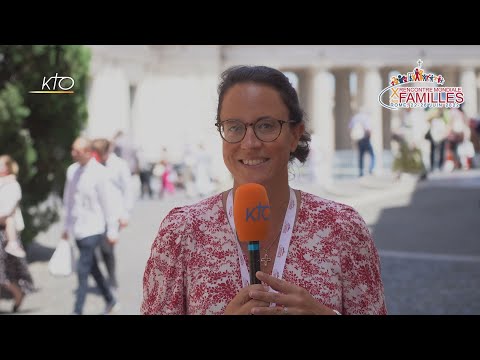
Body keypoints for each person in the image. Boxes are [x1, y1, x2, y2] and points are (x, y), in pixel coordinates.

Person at [141, 65, 387, 315]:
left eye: (266, 126)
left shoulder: (343, 228)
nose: (250, 143)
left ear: (294, 135)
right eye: (234, 127)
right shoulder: (182, 232)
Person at [62, 137, 120, 315]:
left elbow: (108, 203)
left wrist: (112, 229)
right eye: (72, 150)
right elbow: (69, 200)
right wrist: (66, 227)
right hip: (78, 228)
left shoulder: (100, 173)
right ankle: (110, 299)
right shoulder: (72, 171)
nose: (73, 154)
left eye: (77, 151)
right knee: (93, 268)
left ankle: (77, 310)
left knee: (82, 269)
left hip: (94, 228)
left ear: (88, 152)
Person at [92, 138, 134, 291]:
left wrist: (126, 214)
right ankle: (104, 276)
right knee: (96, 247)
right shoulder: (93, 165)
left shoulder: (119, 165)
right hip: (96, 213)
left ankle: (111, 277)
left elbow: (128, 190)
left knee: (106, 248)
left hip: (114, 213)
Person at [0, 155, 34, 312]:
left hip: (6, 235)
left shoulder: (13, 185)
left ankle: (19, 295)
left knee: (7, 273)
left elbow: (6, 211)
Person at [349, 108, 375, 177]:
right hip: (365, 138)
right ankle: (371, 169)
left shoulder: (355, 117)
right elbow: (368, 129)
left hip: (358, 139)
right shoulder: (366, 118)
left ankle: (361, 172)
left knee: (360, 155)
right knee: (372, 155)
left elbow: (350, 127)